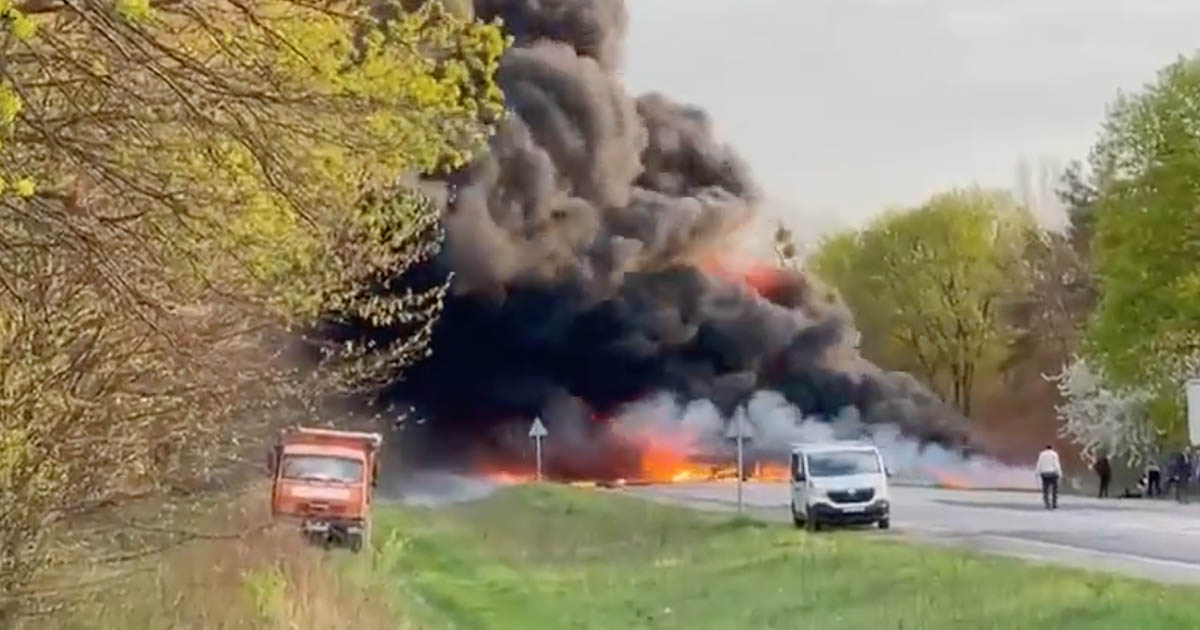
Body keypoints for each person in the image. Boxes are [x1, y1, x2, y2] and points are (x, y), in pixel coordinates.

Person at [1036, 444, 1062, 510]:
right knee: (1054, 490)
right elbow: (1056, 464)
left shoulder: (1042, 454)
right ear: (1051, 448)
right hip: (1053, 473)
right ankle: (1054, 503)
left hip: (1045, 473)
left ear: (1046, 448)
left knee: (1045, 489)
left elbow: (1039, 463)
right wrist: (1059, 472)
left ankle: (1047, 503)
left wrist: (1037, 472)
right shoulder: (1054, 454)